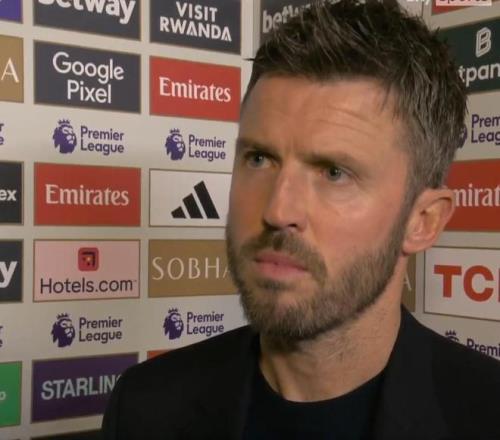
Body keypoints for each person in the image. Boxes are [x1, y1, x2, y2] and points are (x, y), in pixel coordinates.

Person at [102, 1, 500, 439]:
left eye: (334, 172)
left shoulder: (486, 414)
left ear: (422, 221)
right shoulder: (145, 406)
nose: (278, 211)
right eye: (259, 158)